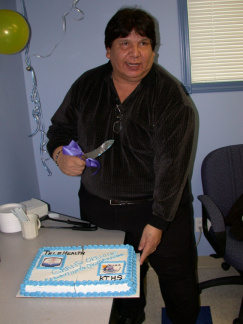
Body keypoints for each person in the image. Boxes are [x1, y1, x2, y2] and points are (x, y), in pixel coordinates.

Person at [47, 7, 200, 324]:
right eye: (124, 43)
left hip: (159, 211)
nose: (136, 54)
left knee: (179, 286)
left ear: (153, 49)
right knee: (118, 286)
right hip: (100, 210)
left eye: (143, 43)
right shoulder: (86, 85)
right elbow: (59, 129)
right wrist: (60, 154)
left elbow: (173, 168)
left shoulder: (171, 98)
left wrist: (158, 223)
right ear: (108, 49)